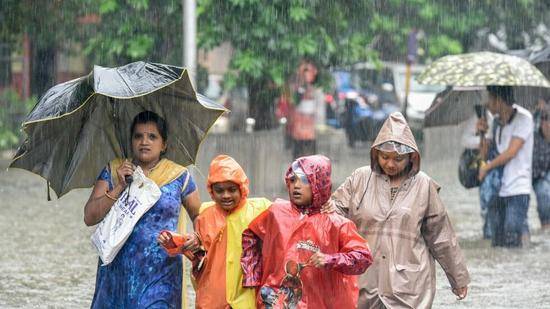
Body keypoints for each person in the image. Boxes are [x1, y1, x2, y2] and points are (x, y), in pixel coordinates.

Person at [328, 112, 470, 308]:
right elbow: (333, 217)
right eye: (385, 157)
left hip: (409, 286)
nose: (390, 164)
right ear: (376, 154)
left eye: (398, 159)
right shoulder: (360, 179)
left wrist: (458, 278)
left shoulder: (423, 185)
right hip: (365, 281)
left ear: (411, 158)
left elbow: (441, 237)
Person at [84, 111, 201, 308]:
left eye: (152, 136)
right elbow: (89, 216)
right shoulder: (114, 170)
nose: (144, 141)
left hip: (162, 273)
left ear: (164, 144)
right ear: (131, 141)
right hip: (117, 271)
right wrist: (120, 186)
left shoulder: (179, 176)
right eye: (138, 136)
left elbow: (200, 216)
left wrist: (196, 237)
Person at [240, 155, 373, 309]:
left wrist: (331, 260)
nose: (296, 186)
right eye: (292, 179)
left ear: (319, 184)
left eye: (304, 180)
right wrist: (252, 276)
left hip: (322, 302)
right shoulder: (276, 213)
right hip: (277, 300)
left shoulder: (336, 224)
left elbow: (364, 258)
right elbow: (251, 236)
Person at [158, 154, 271, 308]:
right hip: (212, 297)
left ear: (242, 187)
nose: (226, 195)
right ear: (211, 191)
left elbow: (286, 221)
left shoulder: (259, 209)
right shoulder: (205, 214)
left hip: (245, 298)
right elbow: (200, 252)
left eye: (232, 190)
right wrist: (179, 242)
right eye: (219, 190)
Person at [477, 86, 534, 247]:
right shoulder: (494, 122)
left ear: (499, 100)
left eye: (490, 99)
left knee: (512, 241)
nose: (487, 104)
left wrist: (487, 168)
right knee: (497, 243)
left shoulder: (524, 118)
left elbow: (511, 152)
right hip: (497, 190)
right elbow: (484, 156)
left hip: (518, 189)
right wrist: (481, 133)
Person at [460, 105, 494, 238]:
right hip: (485, 171)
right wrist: (481, 137)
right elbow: (465, 140)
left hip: (505, 172)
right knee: (487, 209)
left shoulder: (513, 116)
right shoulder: (481, 114)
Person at [281, 59, 326, 159]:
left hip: (310, 132)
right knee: (298, 160)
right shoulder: (295, 89)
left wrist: (319, 125)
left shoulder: (317, 91)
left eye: (308, 70)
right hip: (298, 131)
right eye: (304, 70)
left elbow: (319, 112)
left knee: (310, 159)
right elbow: (290, 107)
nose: (306, 74)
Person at [532, 98, 550, 231]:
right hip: (538, 175)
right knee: (544, 192)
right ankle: (546, 226)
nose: (547, 123)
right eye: (545, 119)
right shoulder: (534, 134)